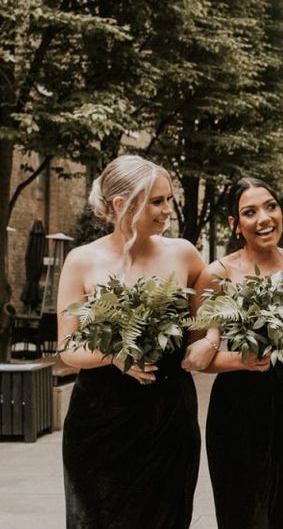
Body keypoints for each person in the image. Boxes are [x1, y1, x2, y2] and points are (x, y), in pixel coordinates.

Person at [58, 155, 205, 528]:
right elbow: (67, 348)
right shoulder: (81, 260)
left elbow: (208, 320)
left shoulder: (184, 254)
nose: (167, 210)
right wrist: (114, 356)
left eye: (169, 199)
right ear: (122, 205)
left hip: (169, 417)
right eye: (157, 201)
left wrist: (211, 340)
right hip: (100, 422)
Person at [187, 178, 283, 529]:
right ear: (235, 225)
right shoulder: (216, 275)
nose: (264, 218)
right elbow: (193, 357)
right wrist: (240, 360)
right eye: (249, 212)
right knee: (239, 510)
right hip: (236, 404)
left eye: (270, 206)